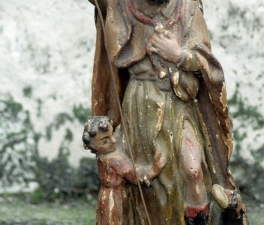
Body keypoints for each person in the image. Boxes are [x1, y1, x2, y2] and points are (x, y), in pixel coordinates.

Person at [88, 0, 248, 224]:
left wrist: (178, 55)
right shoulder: (121, 6)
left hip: (180, 102)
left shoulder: (187, 7)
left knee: (192, 170)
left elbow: (208, 64)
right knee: (152, 183)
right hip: (141, 103)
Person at [82, 116, 166, 225]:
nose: (113, 140)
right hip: (114, 198)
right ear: (93, 146)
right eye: (105, 140)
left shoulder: (101, 153)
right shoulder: (113, 159)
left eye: (112, 134)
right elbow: (133, 174)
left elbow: (118, 134)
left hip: (105, 195)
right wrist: (153, 170)